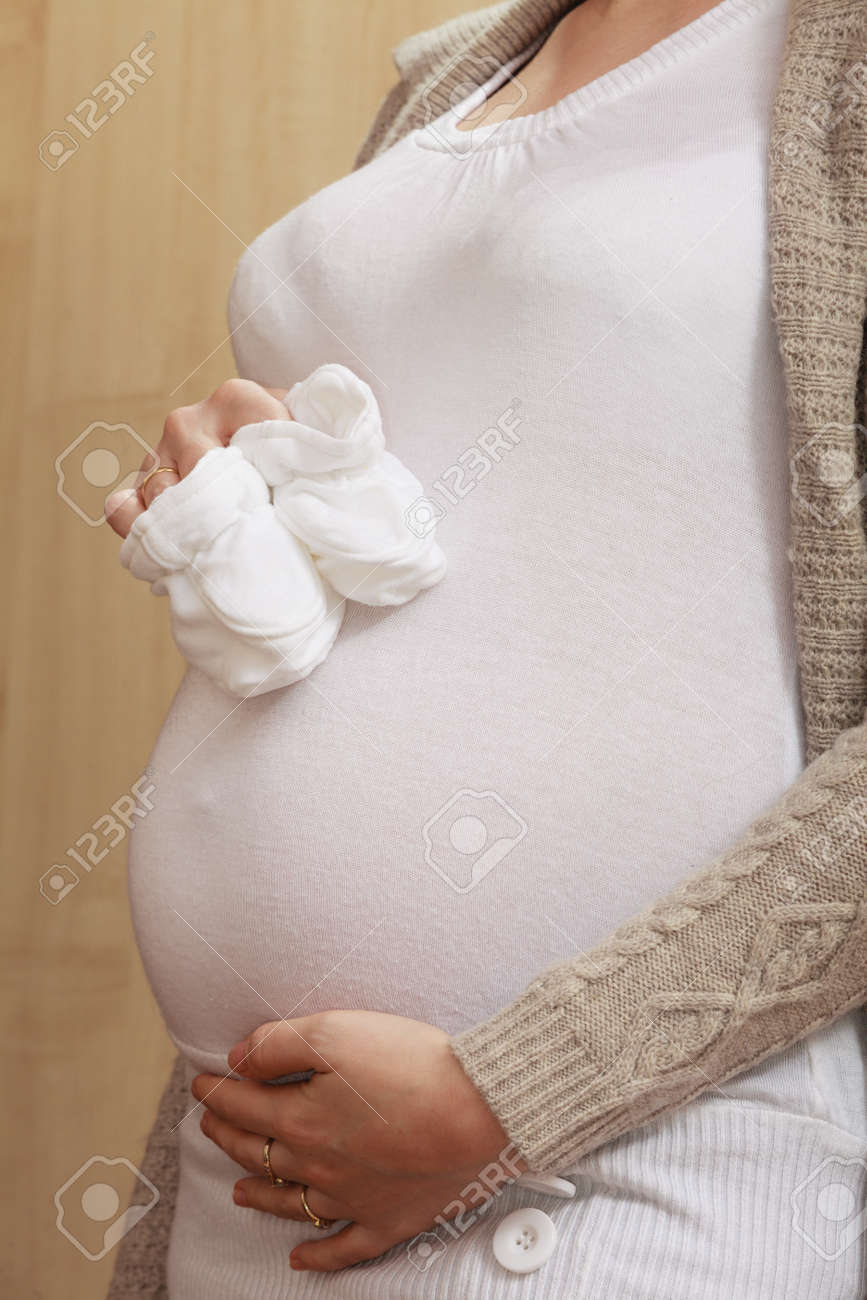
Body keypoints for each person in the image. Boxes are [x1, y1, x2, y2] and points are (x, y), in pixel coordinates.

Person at [107, 0, 867, 1295]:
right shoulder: (461, 72)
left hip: (622, 1172)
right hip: (262, 1174)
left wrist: (508, 1097)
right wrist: (259, 472)